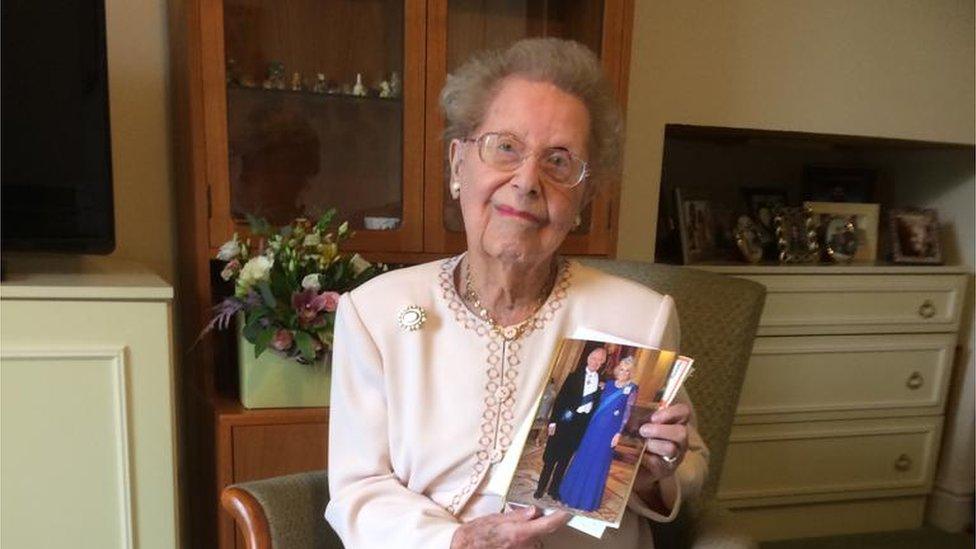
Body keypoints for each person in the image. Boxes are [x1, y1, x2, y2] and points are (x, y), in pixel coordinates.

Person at [325, 38, 708, 549]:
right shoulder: (375, 312)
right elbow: (357, 487)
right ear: (459, 164)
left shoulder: (640, 316)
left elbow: (690, 466)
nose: (527, 180)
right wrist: (457, 541)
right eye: (505, 147)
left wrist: (658, 472)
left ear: (583, 200)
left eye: (558, 162)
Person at [558, 357, 639, 512]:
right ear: (617, 369)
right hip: (593, 427)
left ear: (631, 373)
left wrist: (618, 433)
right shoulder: (607, 385)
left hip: (610, 431)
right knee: (583, 457)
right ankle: (569, 495)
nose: (623, 372)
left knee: (599, 462)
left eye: (627, 370)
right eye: (621, 369)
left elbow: (627, 413)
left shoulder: (632, 389)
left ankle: (587, 501)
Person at [534, 346, 607, 501]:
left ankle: (553, 490)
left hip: (580, 425)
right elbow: (560, 400)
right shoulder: (573, 376)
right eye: (594, 358)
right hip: (564, 421)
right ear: (588, 358)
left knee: (564, 460)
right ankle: (540, 488)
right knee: (551, 458)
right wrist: (552, 422)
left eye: (600, 360)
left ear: (603, 363)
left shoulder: (601, 384)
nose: (596, 362)